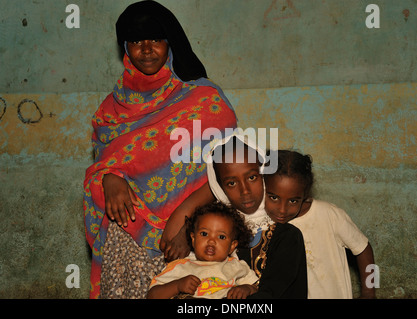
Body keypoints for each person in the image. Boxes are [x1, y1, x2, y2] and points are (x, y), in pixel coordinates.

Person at [83, 0, 237, 299]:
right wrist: (109, 178)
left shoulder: (204, 100)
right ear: (125, 48)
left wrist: (184, 224)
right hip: (128, 236)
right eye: (136, 41)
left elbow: (225, 171)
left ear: (170, 44)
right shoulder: (111, 109)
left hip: (192, 236)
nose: (146, 48)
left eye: (155, 39)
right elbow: (105, 163)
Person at [264, 149, 377, 299]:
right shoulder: (262, 223)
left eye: (293, 201)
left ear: (306, 193)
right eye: (273, 197)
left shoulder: (330, 215)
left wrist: (369, 292)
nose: (282, 210)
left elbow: (364, 249)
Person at [206, 133, 308, 298]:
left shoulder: (287, 236)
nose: (245, 191)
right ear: (219, 188)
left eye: (252, 177)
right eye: (231, 183)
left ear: (264, 173)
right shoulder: (217, 233)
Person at [147, 202, 258, 299]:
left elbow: (256, 288)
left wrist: (246, 288)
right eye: (204, 234)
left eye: (221, 237)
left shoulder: (236, 266)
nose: (211, 241)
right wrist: (177, 286)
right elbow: (152, 295)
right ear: (193, 238)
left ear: (232, 246)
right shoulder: (179, 266)